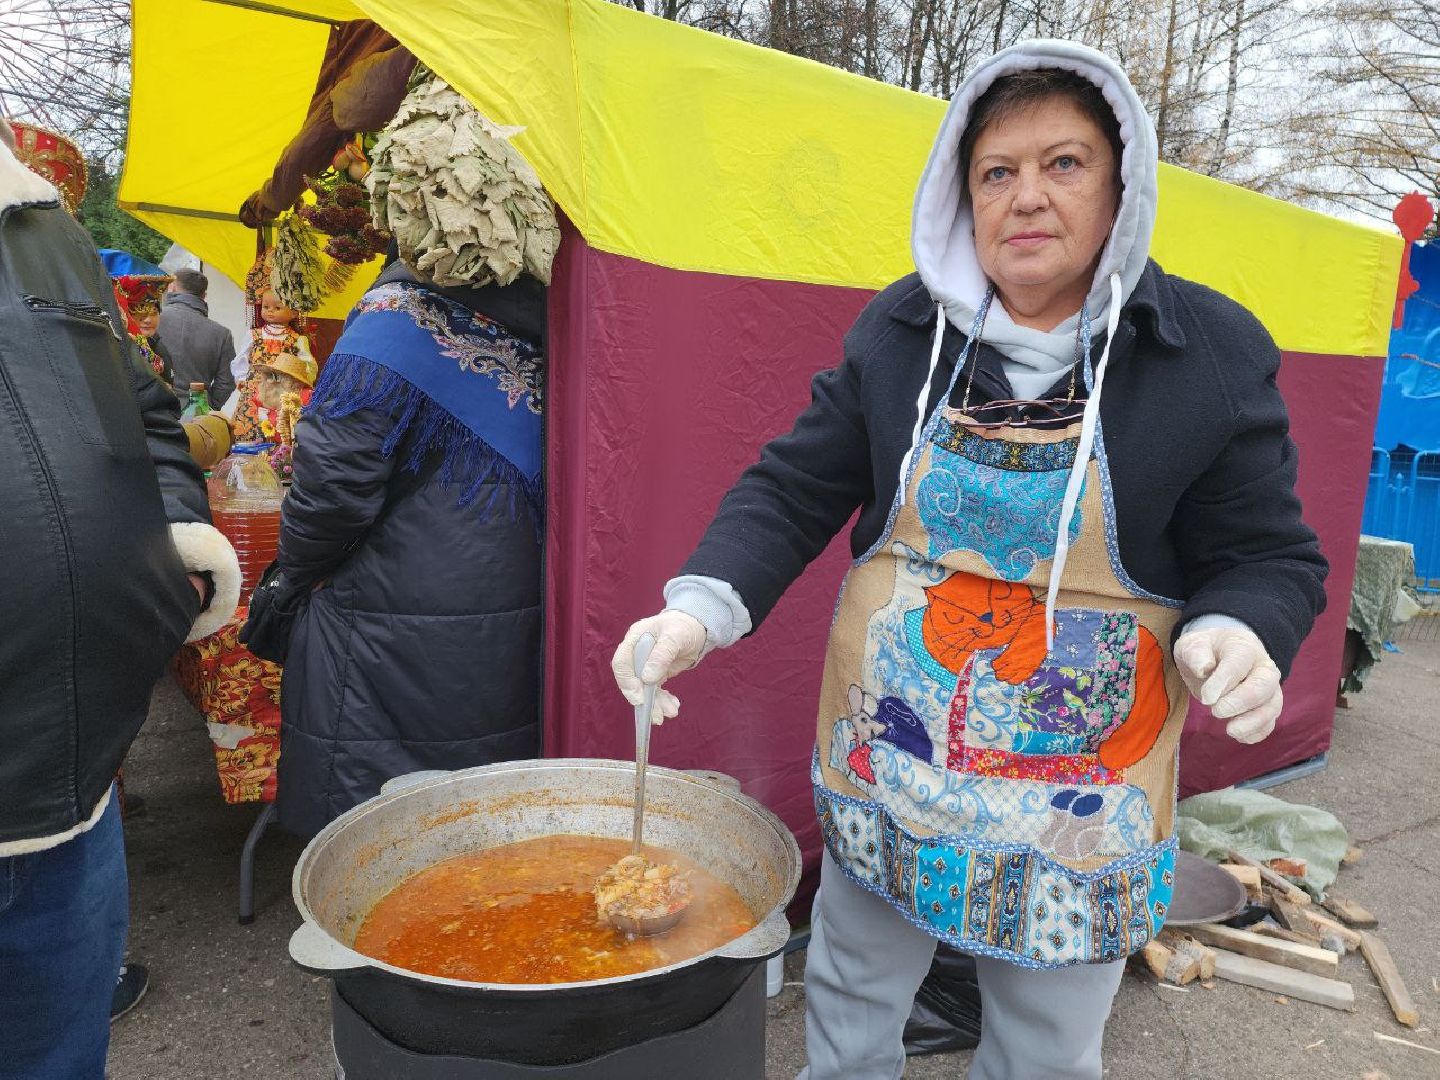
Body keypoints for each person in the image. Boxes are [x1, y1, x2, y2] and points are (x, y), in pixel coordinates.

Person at [611, 40, 1327, 1080]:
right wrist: (698, 609)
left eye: (1064, 163)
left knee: (1042, 1046)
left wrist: (1241, 633)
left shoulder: (1204, 354)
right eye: (997, 172)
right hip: (888, 759)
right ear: (962, 194)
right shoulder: (900, 331)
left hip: (1079, 799)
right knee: (853, 987)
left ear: (1123, 184)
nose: (1026, 197)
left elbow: (1266, 553)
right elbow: (793, 486)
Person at [0, 120, 240, 1077]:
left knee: (62, 1060)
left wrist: (173, 552)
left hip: (73, 786)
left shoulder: (39, 223)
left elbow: (142, 412)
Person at [268, 74, 557, 838]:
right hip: (516, 613)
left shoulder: (391, 327)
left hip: (390, 633)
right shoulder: (566, 331)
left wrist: (291, 579)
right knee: (486, 823)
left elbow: (329, 492)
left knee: (388, 845)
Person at [158, 267, 237, 408]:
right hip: (198, 413)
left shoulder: (151, 321)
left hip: (155, 409)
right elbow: (226, 382)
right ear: (204, 295)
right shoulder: (222, 334)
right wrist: (208, 405)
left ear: (172, 287)